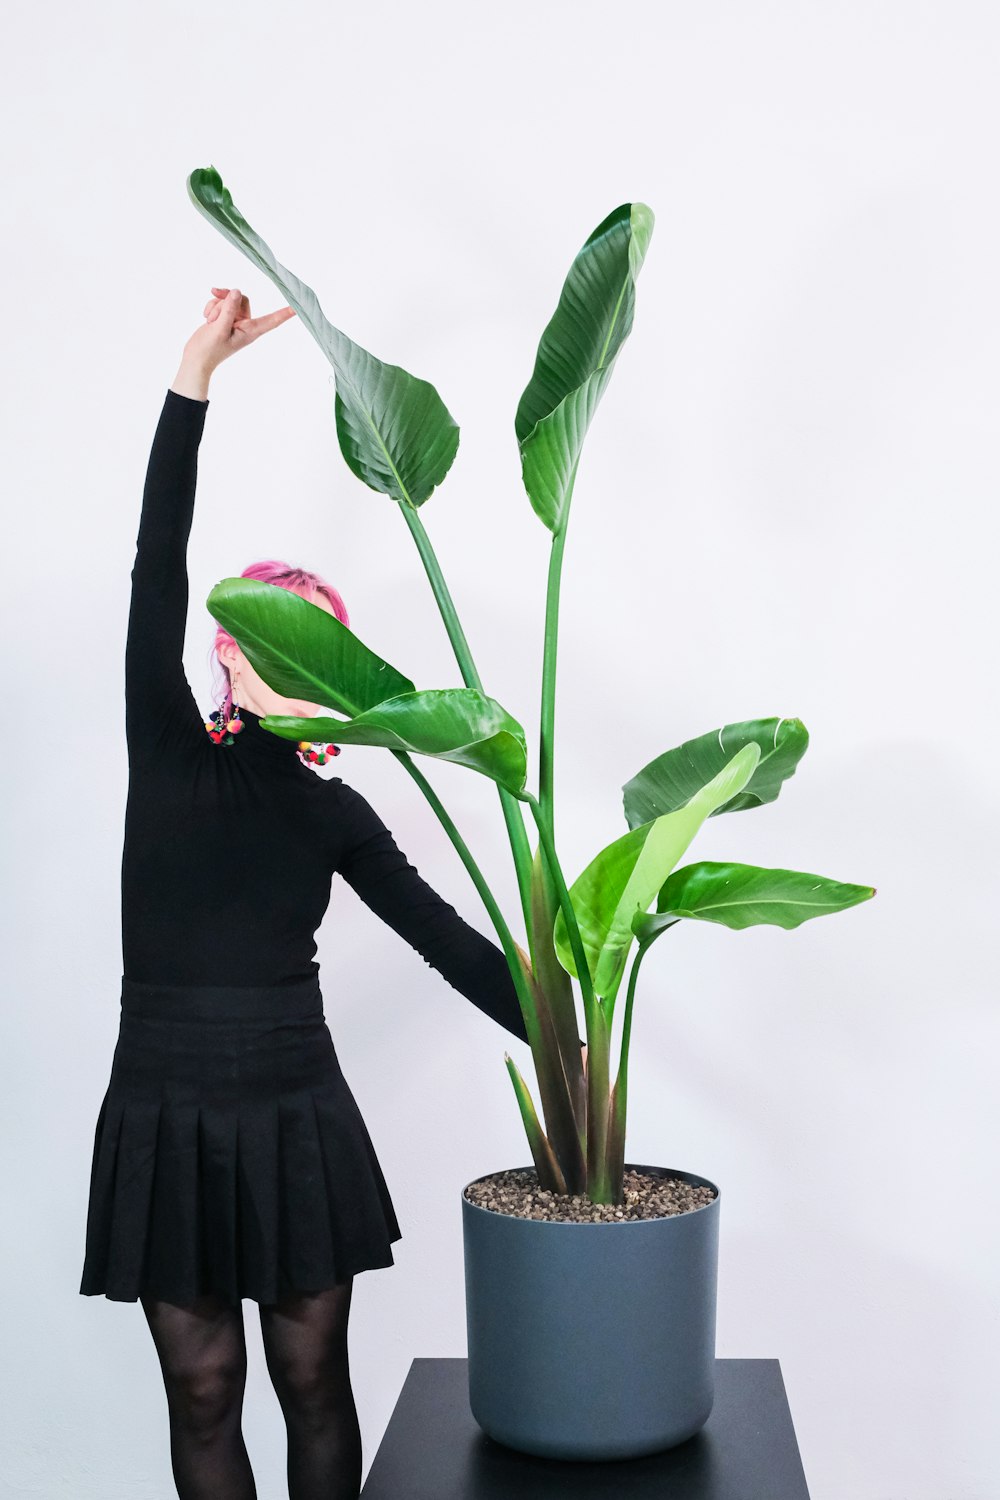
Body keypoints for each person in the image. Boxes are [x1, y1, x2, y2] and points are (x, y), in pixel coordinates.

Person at [79, 285, 534, 1500]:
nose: (277, 650)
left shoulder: (334, 808)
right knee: (203, 1387)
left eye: (308, 637)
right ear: (226, 647)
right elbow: (153, 567)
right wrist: (193, 382)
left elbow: (447, 941)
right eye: (259, 629)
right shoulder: (165, 743)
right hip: (165, 1096)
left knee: (312, 1376)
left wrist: (573, 1032)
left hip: (291, 1104)